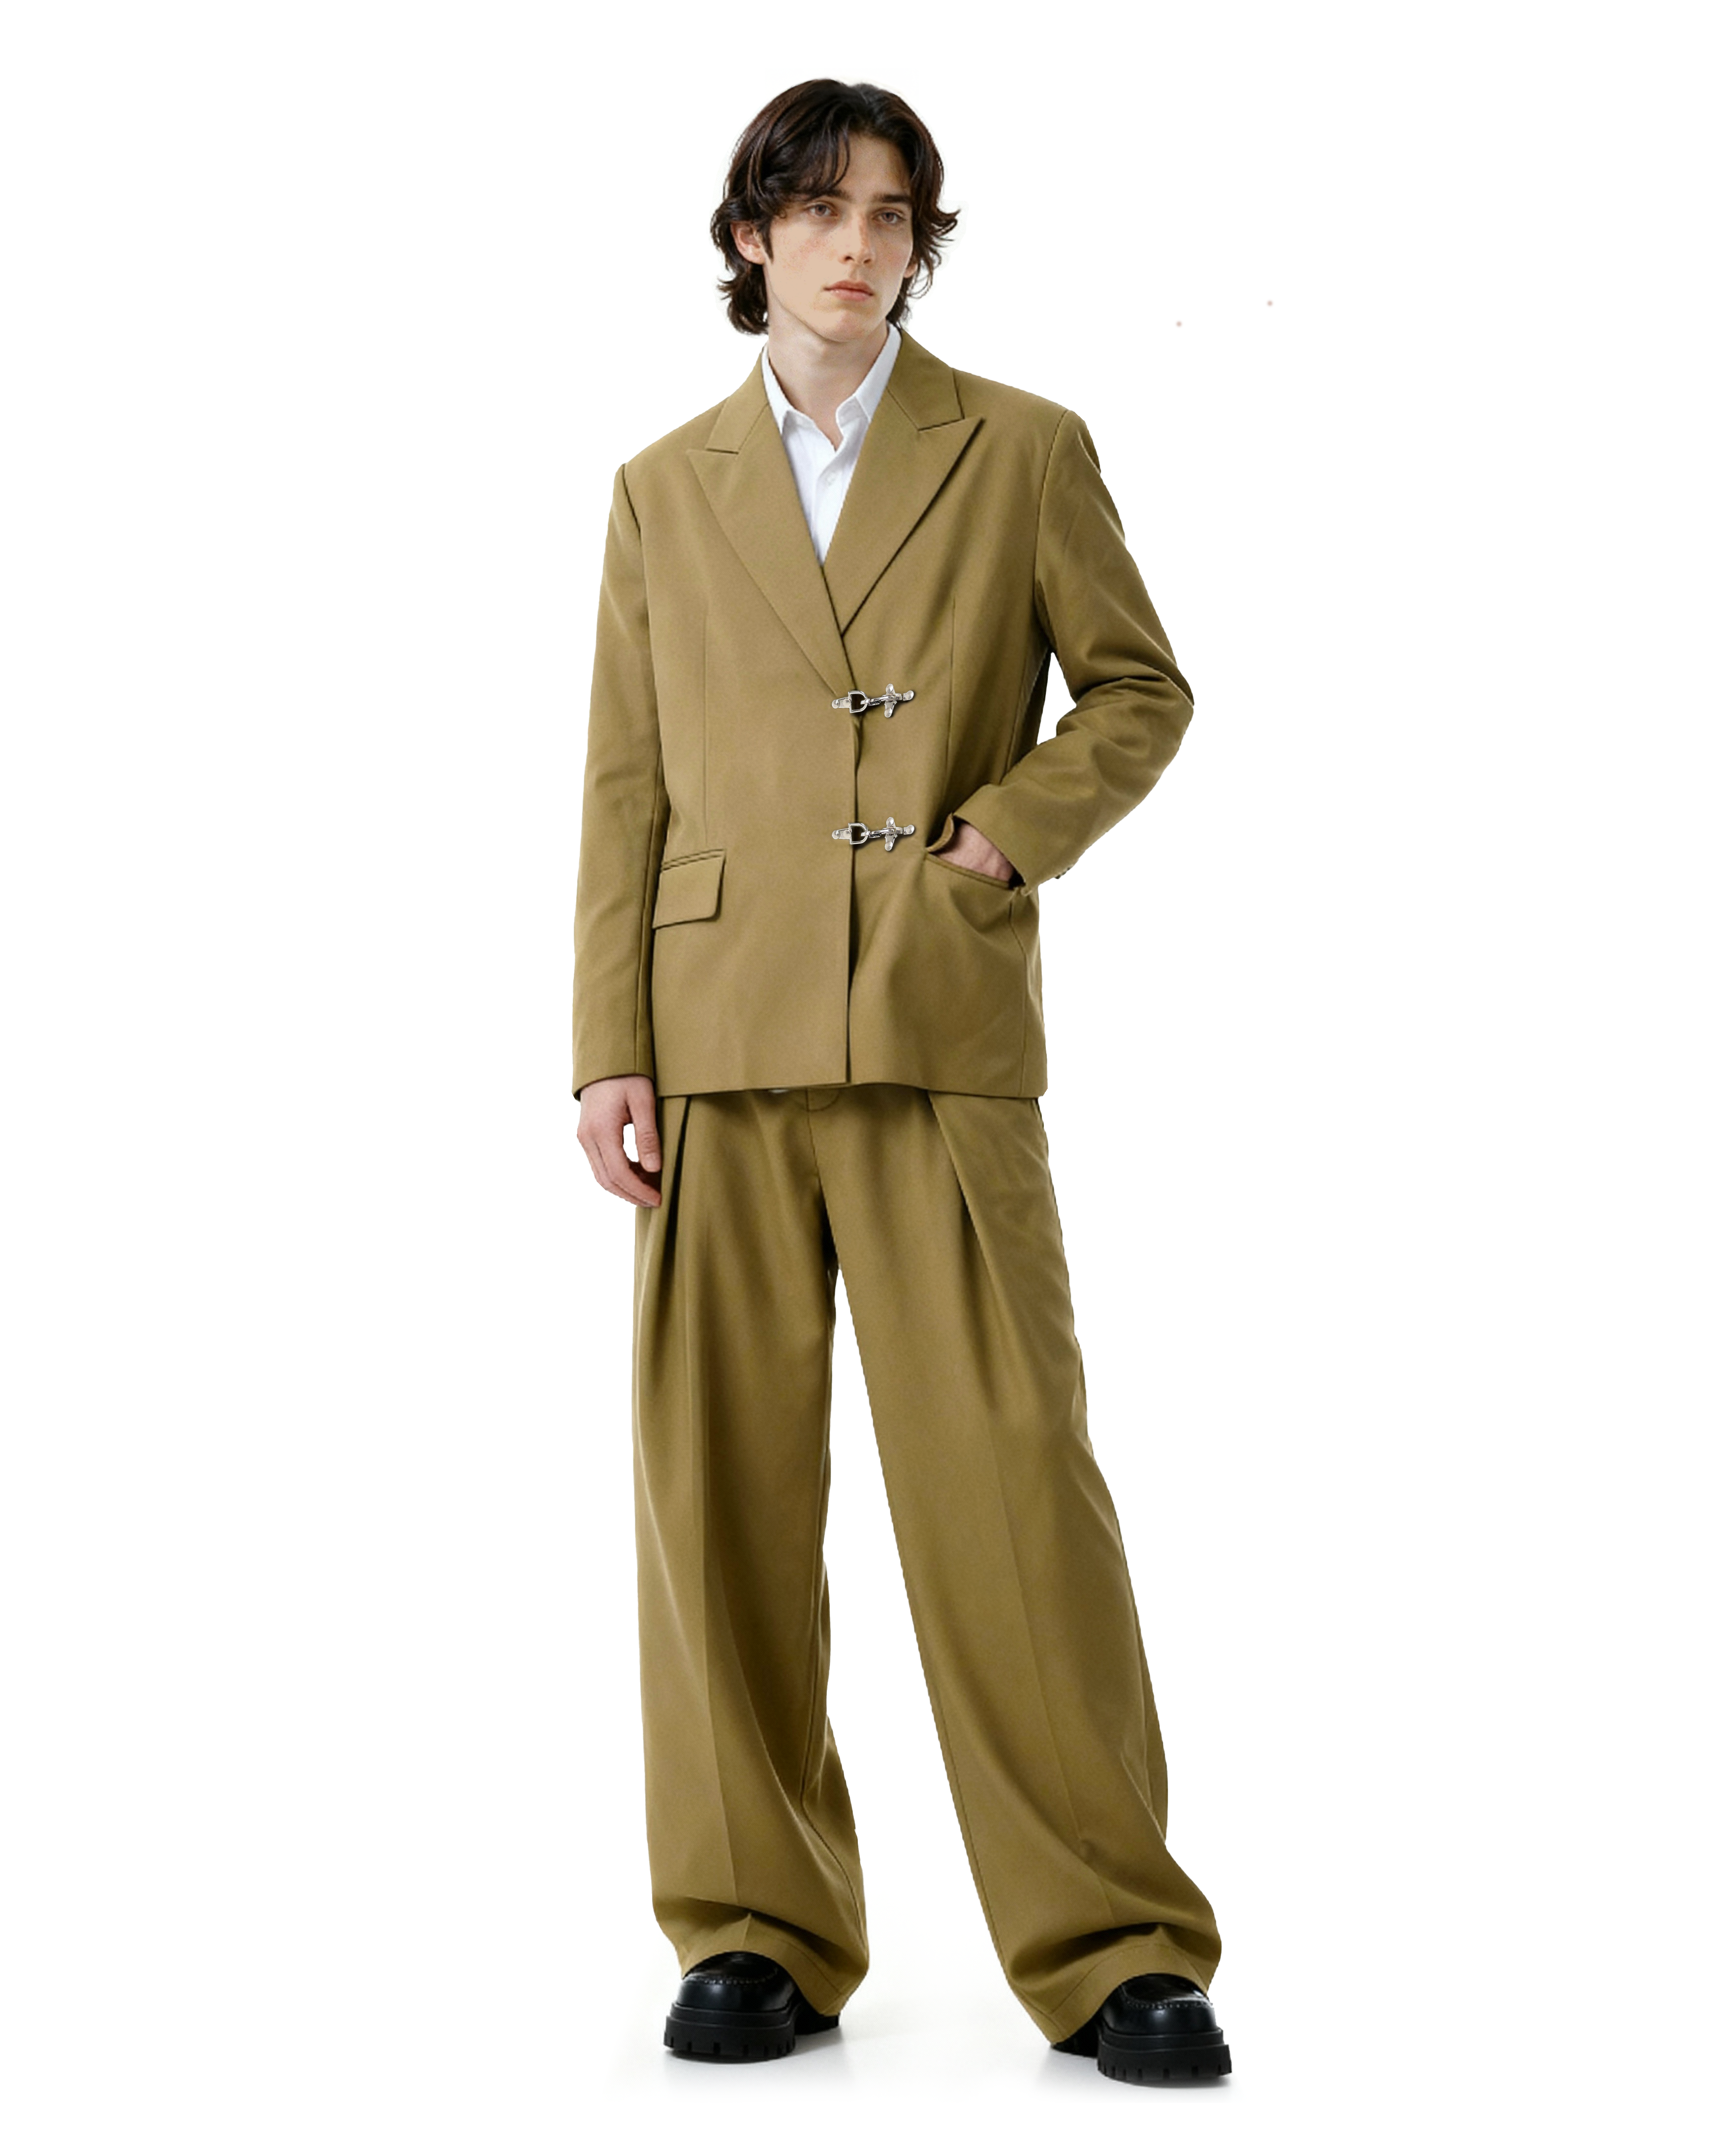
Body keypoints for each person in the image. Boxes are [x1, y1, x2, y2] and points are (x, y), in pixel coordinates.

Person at [570, 77, 1230, 2086]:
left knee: (1011, 1488)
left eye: (890, 215)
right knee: (719, 1503)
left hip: (936, 1034)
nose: (857, 245)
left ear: (917, 243)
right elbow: (622, 781)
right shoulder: (660, 488)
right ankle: (751, 1927)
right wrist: (607, 1044)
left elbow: (1137, 689)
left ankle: (1114, 1941)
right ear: (752, 236)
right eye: (819, 211)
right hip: (717, 1037)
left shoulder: (1020, 448)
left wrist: (1003, 838)